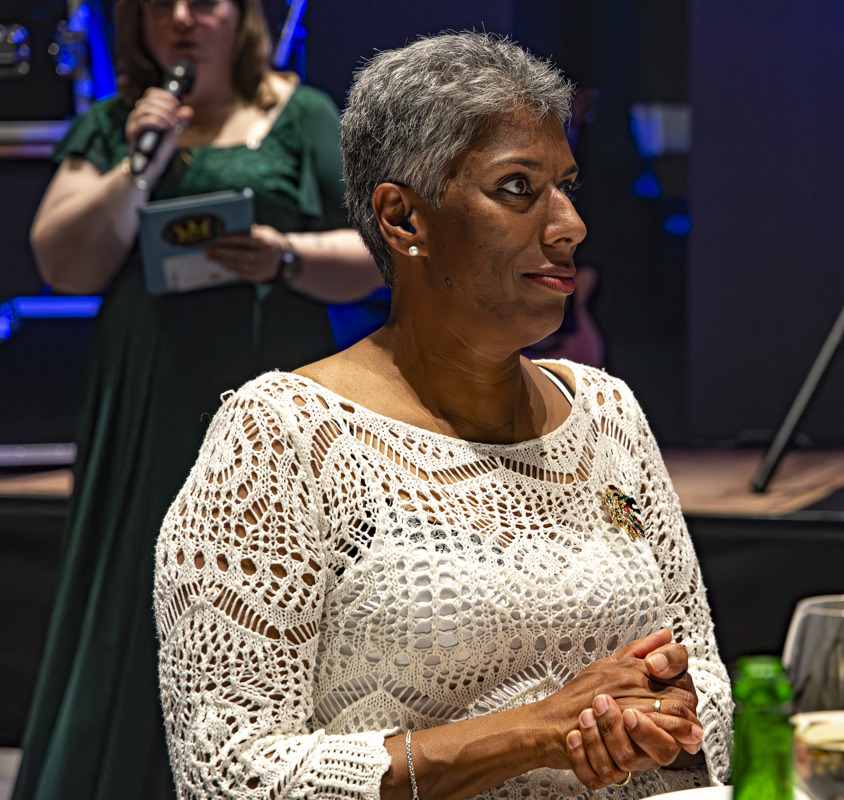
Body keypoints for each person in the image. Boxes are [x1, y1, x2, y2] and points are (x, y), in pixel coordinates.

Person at [153, 32, 732, 799]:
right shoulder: (282, 437)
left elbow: (707, 681)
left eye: (566, 186)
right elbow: (230, 775)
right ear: (404, 220)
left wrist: (666, 717)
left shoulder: (606, 412)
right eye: (518, 188)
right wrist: (532, 734)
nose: (569, 224)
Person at [15, 0, 380, 796]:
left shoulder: (304, 114)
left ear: (242, 15)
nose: (180, 18)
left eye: (204, 2)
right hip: (149, 397)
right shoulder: (117, 124)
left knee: (270, 582)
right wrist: (139, 165)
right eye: (159, 5)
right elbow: (64, 264)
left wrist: (287, 255)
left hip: (275, 390)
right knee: (140, 581)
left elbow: (379, 252)